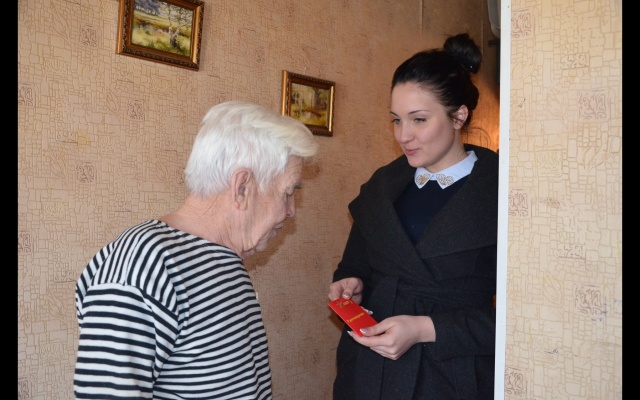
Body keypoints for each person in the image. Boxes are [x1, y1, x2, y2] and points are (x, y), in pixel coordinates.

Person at [74, 101, 319, 399]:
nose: (291, 211)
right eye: (288, 193)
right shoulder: (145, 263)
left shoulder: (224, 258)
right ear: (242, 187)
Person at [328, 33, 498, 400]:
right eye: (396, 120)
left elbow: (526, 320)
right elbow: (354, 266)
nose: (403, 136)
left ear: (459, 116)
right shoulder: (381, 187)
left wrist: (425, 329)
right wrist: (350, 283)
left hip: (453, 374)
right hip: (370, 372)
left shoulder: (507, 193)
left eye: (418, 119)